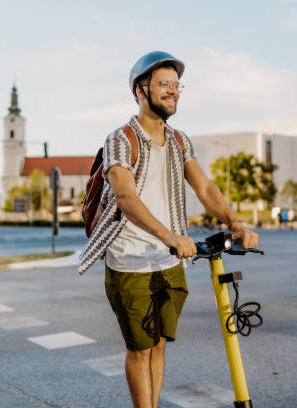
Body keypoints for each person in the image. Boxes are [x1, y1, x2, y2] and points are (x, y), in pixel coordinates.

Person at [78, 51, 259, 408]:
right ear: (140, 90)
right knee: (140, 349)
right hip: (130, 260)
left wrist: (234, 222)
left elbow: (205, 188)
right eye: (164, 84)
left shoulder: (180, 141)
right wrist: (168, 235)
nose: (173, 91)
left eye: (176, 86)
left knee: (159, 344)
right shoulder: (120, 139)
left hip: (171, 260)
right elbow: (126, 195)